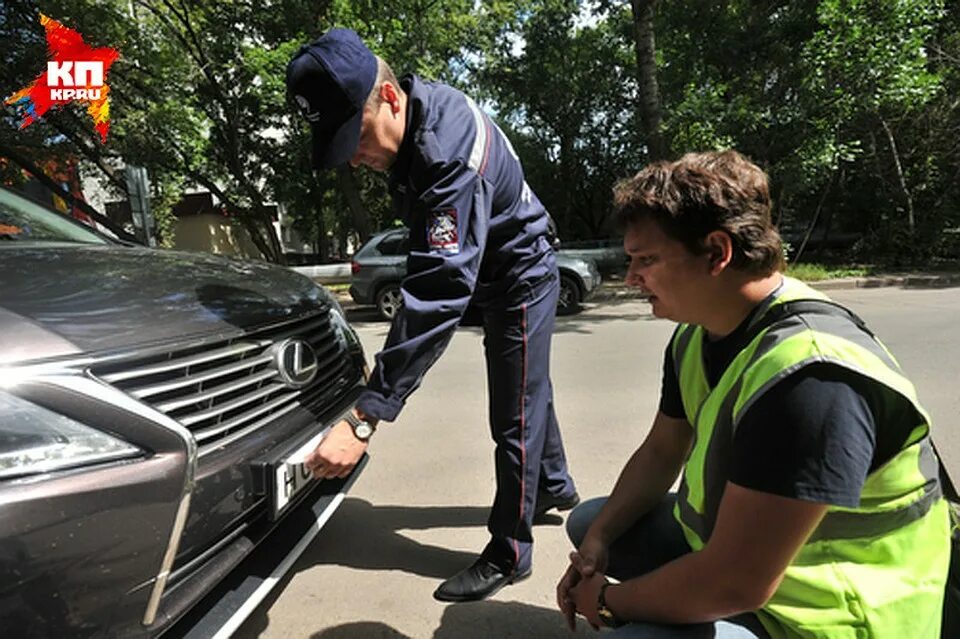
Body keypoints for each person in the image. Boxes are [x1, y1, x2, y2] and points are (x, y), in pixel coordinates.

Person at [556, 150, 951, 637]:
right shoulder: (696, 336)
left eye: (646, 260)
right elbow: (662, 450)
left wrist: (611, 602)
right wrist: (598, 541)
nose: (632, 277)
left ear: (718, 252)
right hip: (757, 571)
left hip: (833, 612)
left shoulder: (810, 379)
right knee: (593, 520)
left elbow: (735, 584)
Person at [285, 29, 579, 602]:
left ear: (390, 98)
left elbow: (440, 288)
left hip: (518, 274)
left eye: (357, 137)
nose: (354, 157)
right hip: (496, 266)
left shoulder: (446, 157)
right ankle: (554, 484)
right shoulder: (424, 113)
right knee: (528, 389)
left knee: (514, 413)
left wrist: (365, 416)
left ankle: (510, 551)